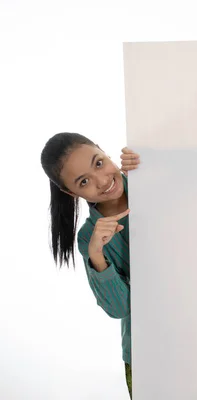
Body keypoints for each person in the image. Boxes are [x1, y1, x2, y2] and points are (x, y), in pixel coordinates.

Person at [40, 133, 140, 398]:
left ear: (103, 150)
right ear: (71, 193)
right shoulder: (89, 238)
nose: (103, 180)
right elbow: (119, 309)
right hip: (145, 351)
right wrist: (97, 253)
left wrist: (154, 163)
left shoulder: (144, 178)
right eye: (84, 181)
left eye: (98, 163)